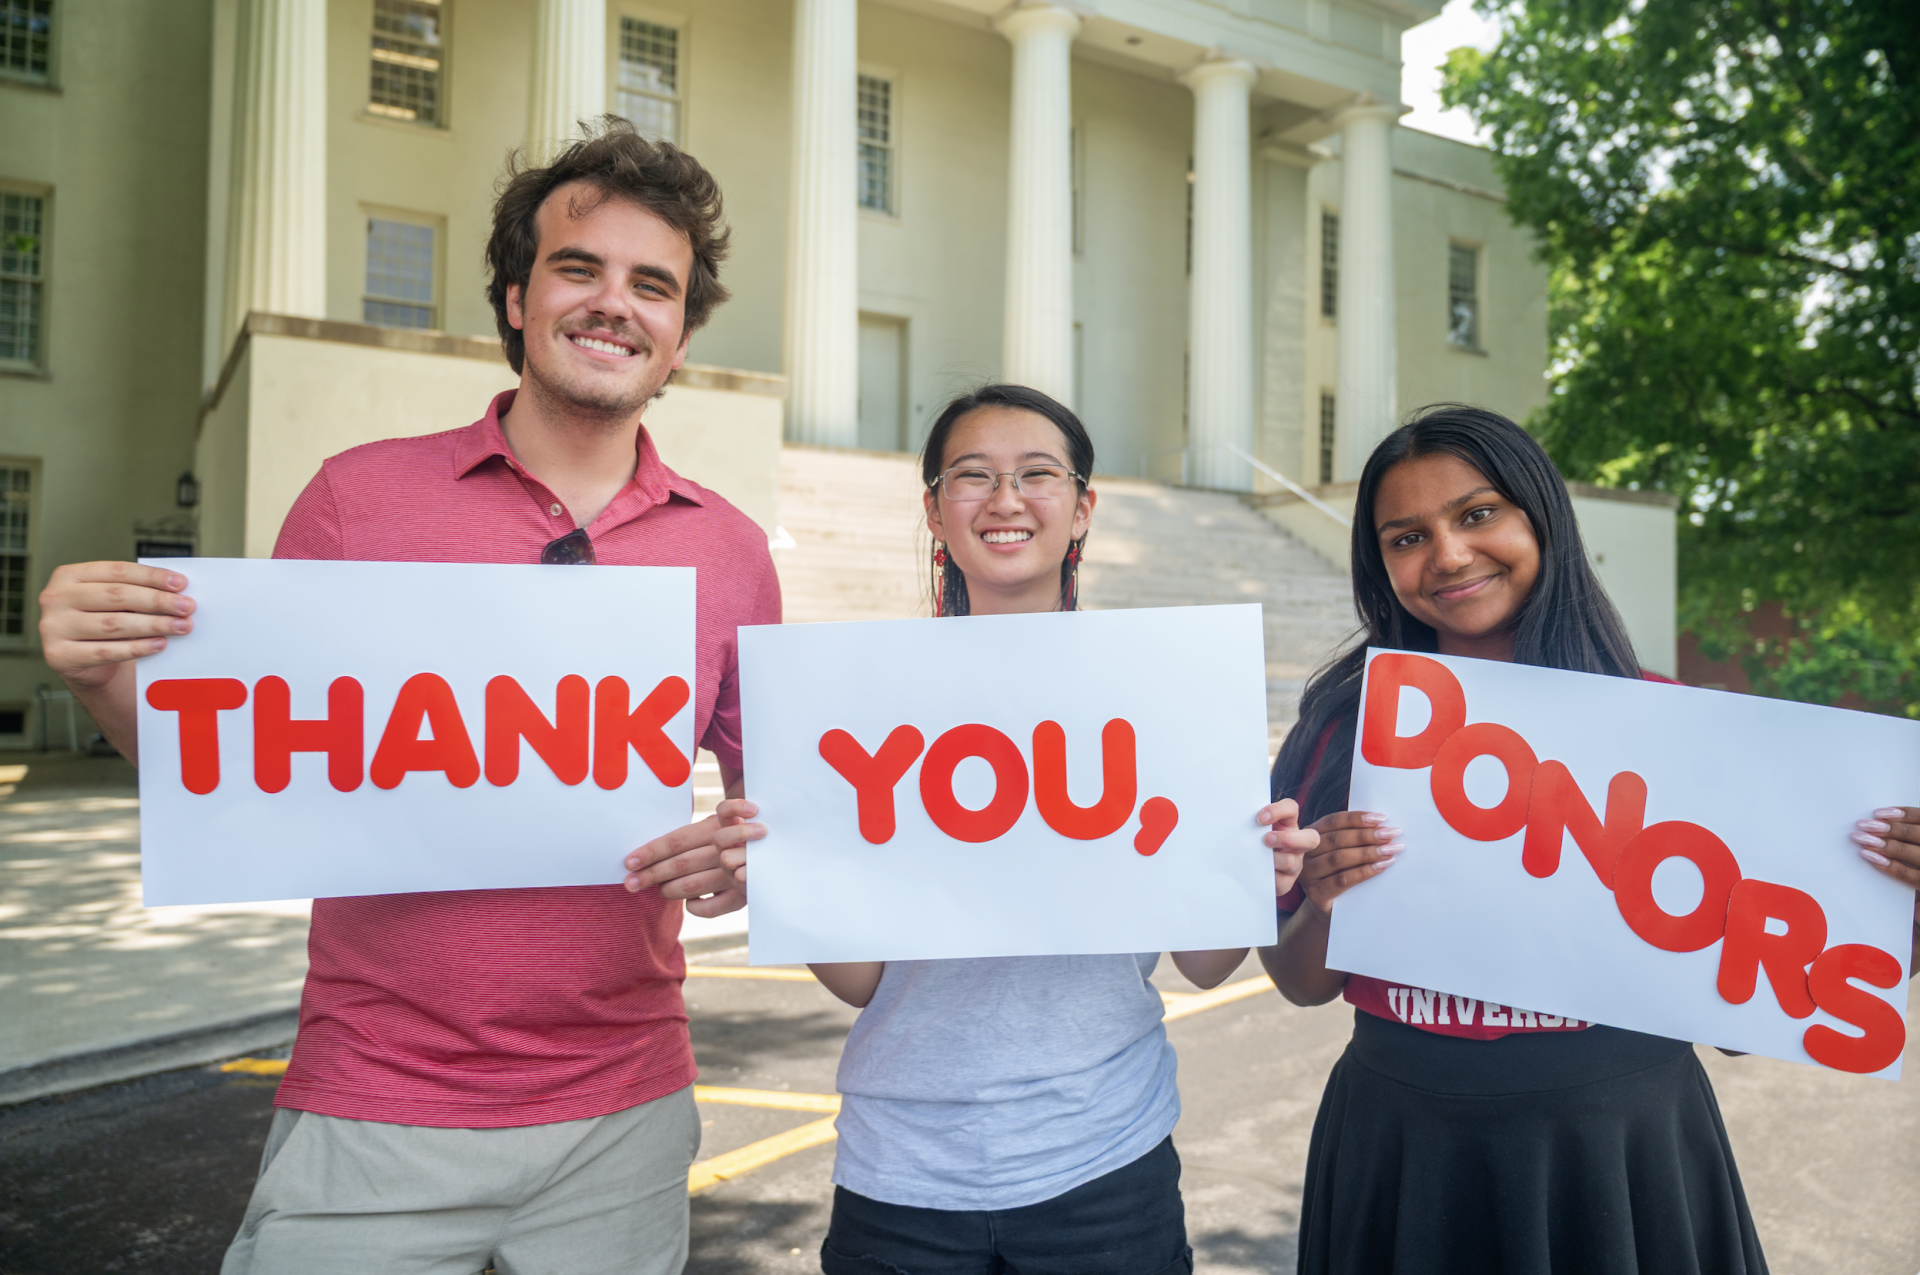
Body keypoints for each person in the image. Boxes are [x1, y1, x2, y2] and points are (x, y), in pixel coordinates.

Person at [37, 120, 775, 1274]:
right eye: (579, 268)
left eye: (654, 286)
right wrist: (102, 679)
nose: (613, 304)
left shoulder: (733, 554)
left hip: (622, 1117)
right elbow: (228, 779)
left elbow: (773, 829)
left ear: (680, 334)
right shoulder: (355, 504)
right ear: (517, 297)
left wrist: (741, 863)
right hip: (375, 1104)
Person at [723, 383, 1316, 1275]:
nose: (1006, 499)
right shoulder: (861, 702)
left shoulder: (1162, 690)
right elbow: (859, 983)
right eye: (973, 476)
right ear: (933, 509)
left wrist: (1250, 874)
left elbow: (1201, 965)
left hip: (1107, 1166)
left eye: (1038, 474)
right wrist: (789, 869)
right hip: (902, 1172)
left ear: (1082, 508)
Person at [1262, 404, 1774, 1274]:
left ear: (1542, 518)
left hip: (1621, 1153)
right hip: (1407, 1144)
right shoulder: (1341, 725)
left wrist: (1883, 895)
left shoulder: (1668, 723)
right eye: (1406, 536)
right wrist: (1322, 903)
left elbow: (1746, 1019)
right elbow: (1302, 982)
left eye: (1477, 513)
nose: (1449, 555)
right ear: (1379, 565)